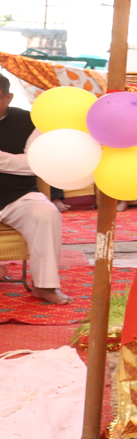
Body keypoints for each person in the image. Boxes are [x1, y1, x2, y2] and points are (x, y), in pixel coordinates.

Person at [0, 78, 69, 304]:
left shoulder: (30, 121)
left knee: (45, 213)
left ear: (8, 98)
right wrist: (14, 162)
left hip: (17, 197)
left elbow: (36, 164)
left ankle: (45, 286)